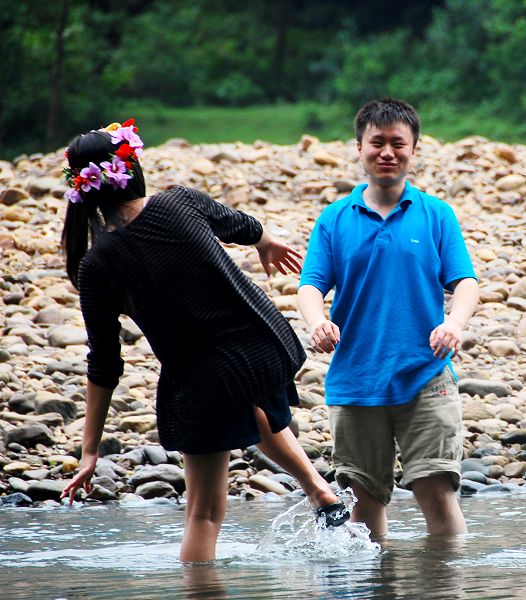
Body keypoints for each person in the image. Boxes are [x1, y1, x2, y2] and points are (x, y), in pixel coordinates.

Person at [59, 120, 347, 562]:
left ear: (81, 190)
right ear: (132, 167)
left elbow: (104, 364)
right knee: (252, 405)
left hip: (203, 382)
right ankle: (320, 491)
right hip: (263, 345)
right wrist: (268, 242)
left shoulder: (96, 266)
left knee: (204, 515)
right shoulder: (178, 202)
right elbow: (240, 224)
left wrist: (90, 450)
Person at [296, 98, 479, 539]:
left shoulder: (436, 214)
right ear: (359, 148)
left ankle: (444, 586)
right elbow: (310, 285)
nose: (387, 152)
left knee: (436, 491)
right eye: (377, 142)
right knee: (366, 499)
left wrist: (453, 324)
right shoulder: (335, 218)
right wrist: (316, 321)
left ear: (413, 150)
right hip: (356, 379)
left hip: (426, 376)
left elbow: (466, 283)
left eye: (399, 143)